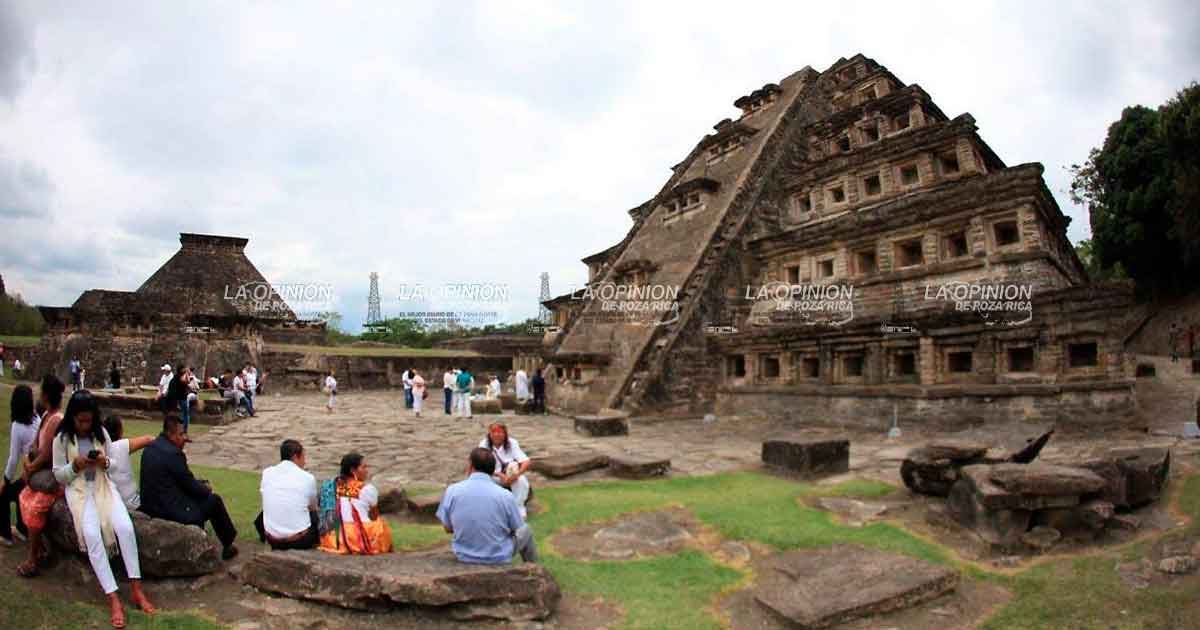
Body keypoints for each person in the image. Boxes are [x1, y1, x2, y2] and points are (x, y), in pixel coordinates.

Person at [52, 390, 156, 627]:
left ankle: (136, 588)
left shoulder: (101, 433)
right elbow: (59, 475)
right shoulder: (62, 439)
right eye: (81, 421)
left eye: (89, 420)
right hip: (79, 491)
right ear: (72, 417)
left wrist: (104, 462)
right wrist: (75, 466)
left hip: (103, 486)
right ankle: (113, 597)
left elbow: (114, 463)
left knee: (125, 528)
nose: (85, 425)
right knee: (91, 535)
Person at [139, 415, 239, 560]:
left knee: (200, 493)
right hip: (168, 511)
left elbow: (179, 479)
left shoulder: (151, 448)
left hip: (151, 506)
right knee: (213, 501)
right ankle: (228, 545)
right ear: (170, 434)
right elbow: (191, 486)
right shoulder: (174, 454)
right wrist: (206, 488)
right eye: (181, 434)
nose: (185, 438)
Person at [436, 447, 538, 565]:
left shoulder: (452, 490)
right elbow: (517, 528)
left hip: (464, 555)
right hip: (498, 556)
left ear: (470, 466)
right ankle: (532, 568)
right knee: (526, 530)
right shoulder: (505, 495)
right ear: (493, 470)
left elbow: (448, 528)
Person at [16, 374, 66, 578]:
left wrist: (29, 467)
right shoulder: (46, 416)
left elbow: (47, 454)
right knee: (24, 497)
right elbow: (36, 446)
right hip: (41, 471)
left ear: (45, 395)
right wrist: (30, 462)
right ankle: (41, 549)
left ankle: (32, 559)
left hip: (53, 478)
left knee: (36, 507)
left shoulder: (56, 420)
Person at [318, 453, 394, 555]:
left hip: (336, 538)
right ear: (353, 470)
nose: (367, 470)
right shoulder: (367, 489)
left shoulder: (332, 487)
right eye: (363, 467)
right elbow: (374, 516)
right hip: (360, 537)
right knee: (381, 525)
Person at [256, 439, 319, 550]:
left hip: (272, 539)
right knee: (316, 515)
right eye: (303, 457)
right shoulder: (307, 478)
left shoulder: (267, 473)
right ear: (295, 457)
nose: (305, 462)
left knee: (272, 507)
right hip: (299, 541)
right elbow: (312, 507)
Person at [1, 385, 39, 546]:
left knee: (3, 495)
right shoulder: (37, 419)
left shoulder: (18, 426)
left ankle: (6, 535)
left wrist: (5, 480)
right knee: (18, 490)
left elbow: (13, 459)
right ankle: (23, 530)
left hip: (31, 473)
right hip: (37, 471)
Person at [478, 422, 532, 519]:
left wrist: (516, 475)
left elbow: (526, 461)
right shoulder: (484, 444)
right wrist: (499, 475)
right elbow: (481, 466)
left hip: (510, 475)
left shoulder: (512, 442)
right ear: (489, 434)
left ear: (505, 434)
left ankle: (518, 508)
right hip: (492, 475)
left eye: (500, 432)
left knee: (522, 480)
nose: (497, 435)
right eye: (494, 432)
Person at [100, 416, 154, 512]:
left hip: (112, 505)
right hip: (132, 503)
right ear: (119, 431)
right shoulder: (121, 446)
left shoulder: (100, 450)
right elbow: (148, 439)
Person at [164, 365, 192, 434]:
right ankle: (182, 431)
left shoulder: (176, 377)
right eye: (185, 369)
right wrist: (186, 373)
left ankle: (180, 430)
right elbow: (186, 381)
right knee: (183, 415)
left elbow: (187, 381)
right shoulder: (179, 376)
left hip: (176, 398)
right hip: (179, 398)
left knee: (181, 415)